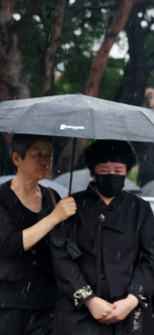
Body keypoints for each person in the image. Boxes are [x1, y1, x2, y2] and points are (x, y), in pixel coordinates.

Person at [50, 140, 154, 334]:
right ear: (92, 172)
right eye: (104, 170)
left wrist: (131, 300)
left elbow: (151, 259)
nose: (111, 175)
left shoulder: (140, 209)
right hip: (79, 316)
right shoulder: (71, 205)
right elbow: (61, 256)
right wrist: (89, 300)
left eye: (118, 171)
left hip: (130, 314)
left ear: (127, 171)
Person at [0, 134, 76, 335]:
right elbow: (10, 244)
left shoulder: (52, 197)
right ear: (17, 158)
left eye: (49, 156)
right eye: (37, 154)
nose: (45, 161)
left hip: (47, 302)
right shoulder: (2, 198)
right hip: (8, 303)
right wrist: (54, 217)